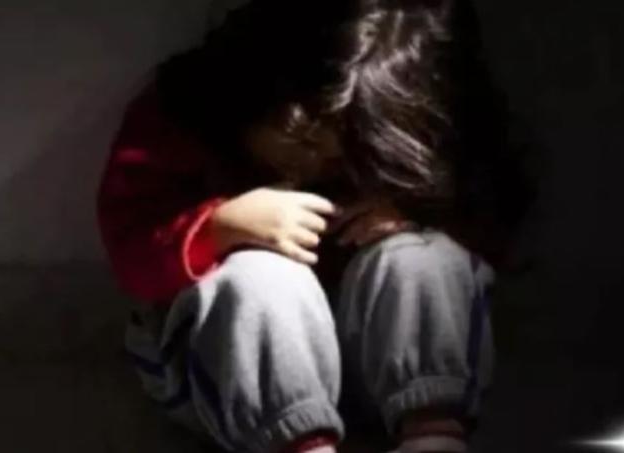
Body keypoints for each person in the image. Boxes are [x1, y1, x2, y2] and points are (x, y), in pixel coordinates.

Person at [97, 0, 529, 451]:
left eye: (341, 152)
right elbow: (130, 249)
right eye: (300, 141)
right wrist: (218, 227)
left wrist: (413, 210)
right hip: (230, 377)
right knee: (259, 277)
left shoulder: (420, 127)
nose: (315, 163)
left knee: (423, 255)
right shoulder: (183, 111)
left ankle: (432, 431)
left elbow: (493, 224)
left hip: (373, 370)